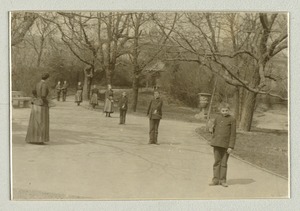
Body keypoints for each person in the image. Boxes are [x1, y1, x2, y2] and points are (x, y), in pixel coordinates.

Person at [209, 102, 236, 187]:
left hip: (226, 145)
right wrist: (211, 129)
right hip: (217, 143)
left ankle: (223, 180)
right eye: (223, 110)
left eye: (226, 110)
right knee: (217, 162)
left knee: (224, 163)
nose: (224, 112)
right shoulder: (217, 117)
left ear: (229, 110)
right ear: (220, 110)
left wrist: (231, 146)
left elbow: (233, 134)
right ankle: (215, 180)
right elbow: (214, 128)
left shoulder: (232, 119)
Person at [25, 73, 50, 144]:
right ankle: (39, 140)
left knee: (34, 121)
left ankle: (32, 138)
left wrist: (36, 98)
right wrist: (47, 103)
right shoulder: (44, 85)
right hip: (42, 105)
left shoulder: (37, 84)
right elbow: (43, 95)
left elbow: (33, 92)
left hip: (36, 103)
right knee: (42, 121)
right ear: (47, 78)